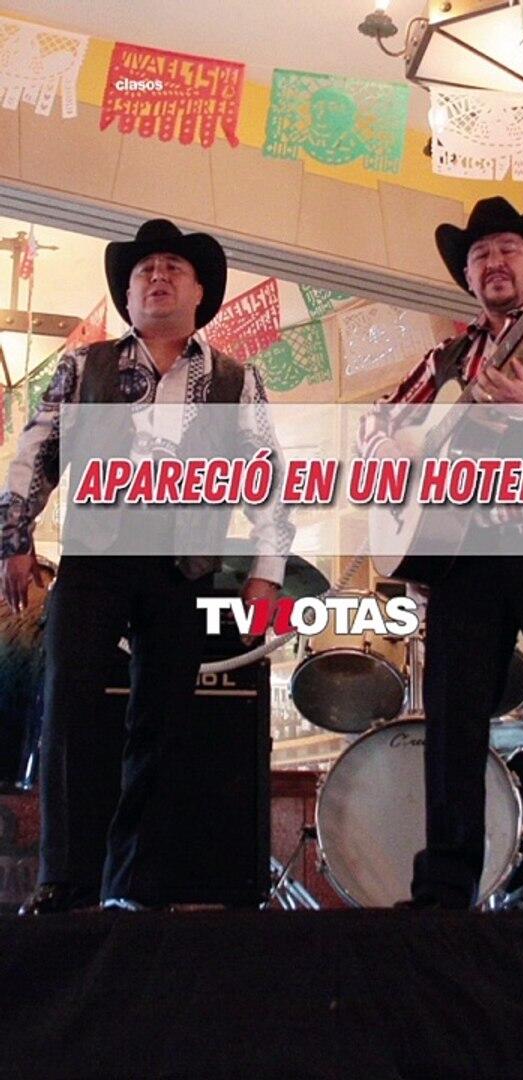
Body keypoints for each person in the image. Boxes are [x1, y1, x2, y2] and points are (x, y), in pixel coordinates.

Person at [0, 218, 292, 914]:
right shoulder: (85, 366)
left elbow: (267, 477)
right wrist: (14, 535)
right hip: (95, 560)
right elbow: (37, 449)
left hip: (183, 568)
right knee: (69, 709)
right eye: (144, 271)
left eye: (172, 269)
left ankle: (134, 888)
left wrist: (267, 569)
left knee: (163, 726)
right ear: (128, 296)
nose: (157, 277)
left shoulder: (236, 379)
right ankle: (68, 881)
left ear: (199, 292)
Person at [359, 196, 523, 909]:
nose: (493, 262)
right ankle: (444, 893)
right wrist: (395, 449)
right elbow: (377, 420)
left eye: (507, 249)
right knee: (451, 721)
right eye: (479, 256)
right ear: (468, 278)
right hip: (466, 554)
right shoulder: (445, 359)